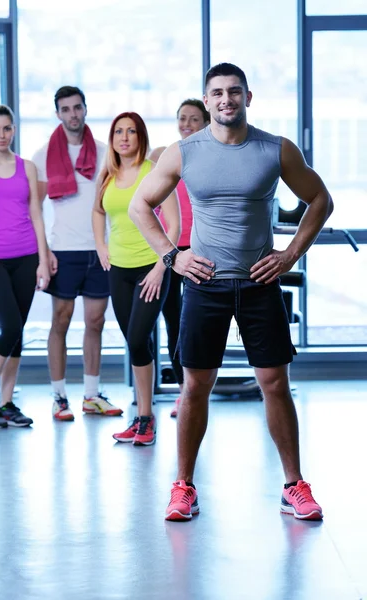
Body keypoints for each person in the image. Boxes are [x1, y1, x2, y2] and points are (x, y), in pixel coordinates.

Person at [129, 63, 333, 520]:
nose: (226, 100)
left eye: (234, 92)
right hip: (205, 285)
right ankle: (183, 487)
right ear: (206, 100)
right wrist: (172, 256)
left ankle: (293, 485)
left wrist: (290, 254)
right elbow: (140, 204)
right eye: (217, 93)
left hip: (260, 283)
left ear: (248, 97)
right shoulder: (184, 153)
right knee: (194, 387)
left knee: (275, 383)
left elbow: (320, 200)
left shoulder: (274, 149)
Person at [32, 86, 123, 421]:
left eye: (77, 108)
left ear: (85, 109)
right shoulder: (43, 155)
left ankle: (91, 394)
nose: (72, 114)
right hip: (63, 251)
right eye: (66, 109)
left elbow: (114, 202)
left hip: (99, 250)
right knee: (60, 321)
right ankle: (58, 397)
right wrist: (44, 255)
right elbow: (36, 209)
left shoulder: (103, 152)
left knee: (96, 322)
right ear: (57, 113)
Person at [93, 112, 180, 446]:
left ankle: (146, 417)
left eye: (131, 131)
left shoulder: (154, 173)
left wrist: (162, 265)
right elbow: (98, 210)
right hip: (120, 270)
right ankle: (144, 416)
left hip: (150, 268)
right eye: (118, 131)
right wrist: (101, 244)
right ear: (112, 138)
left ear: (140, 136)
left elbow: (173, 224)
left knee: (138, 335)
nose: (124, 137)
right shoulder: (109, 174)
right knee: (136, 342)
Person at [0, 104, 50, 428]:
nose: (1, 134)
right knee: (12, 327)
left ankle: (6, 402)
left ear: (13, 131)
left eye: (7, 128)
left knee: (15, 332)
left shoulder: (26, 167)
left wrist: (43, 261)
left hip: (26, 258)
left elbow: (36, 215)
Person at [149, 100, 210, 418]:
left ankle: (195, 388)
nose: (187, 123)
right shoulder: (165, 155)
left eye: (194, 119)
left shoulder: (211, 155)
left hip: (201, 251)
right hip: (172, 251)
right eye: (182, 118)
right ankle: (182, 392)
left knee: (193, 325)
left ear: (206, 121)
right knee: (174, 321)